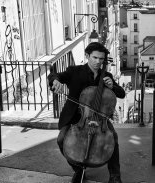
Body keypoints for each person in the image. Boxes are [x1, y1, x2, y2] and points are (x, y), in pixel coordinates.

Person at [48, 42, 125, 183]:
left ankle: (115, 175)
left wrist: (112, 86)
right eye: (95, 58)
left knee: (112, 139)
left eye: (101, 59)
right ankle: (78, 169)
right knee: (61, 140)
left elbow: (121, 94)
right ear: (87, 56)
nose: (98, 62)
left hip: (99, 118)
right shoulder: (74, 72)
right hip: (75, 118)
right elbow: (54, 75)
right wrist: (55, 82)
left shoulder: (106, 75)